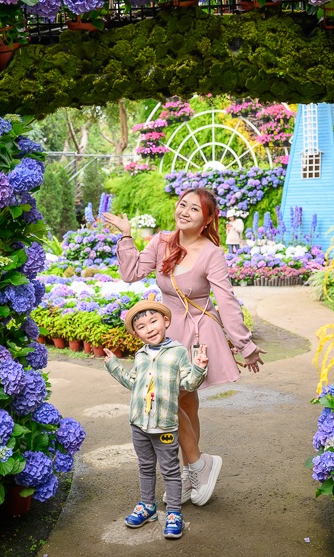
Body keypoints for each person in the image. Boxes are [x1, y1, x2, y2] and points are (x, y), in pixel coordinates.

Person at [103, 188, 265, 507]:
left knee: (180, 405)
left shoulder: (211, 253)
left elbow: (226, 300)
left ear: (206, 221)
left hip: (196, 332)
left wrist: (244, 344)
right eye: (182, 204)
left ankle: (193, 469)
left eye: (195, 208)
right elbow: (130, 272)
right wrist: (125, 236)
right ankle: (196, 467)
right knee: (177, 405)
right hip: (166, 331)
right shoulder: (162, 241)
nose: (185, 211)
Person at [104, 300, 209, 540]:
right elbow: (133, 383)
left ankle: (173, 513)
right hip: (139, 423)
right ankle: (147, 505)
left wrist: (199, 368)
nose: (149, 328)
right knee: (145, 466)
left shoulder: (179, 352)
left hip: (165, 425)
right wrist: (113, 366)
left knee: (170, 470)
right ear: (136, 333)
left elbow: (187, 384)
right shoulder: (140, 355)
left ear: (166, 322)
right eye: (141, 326)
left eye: (154, 321)